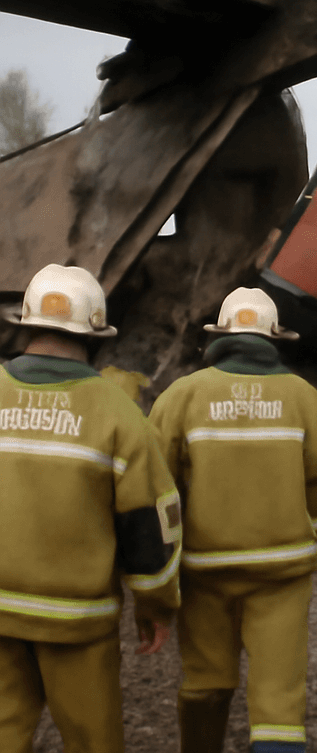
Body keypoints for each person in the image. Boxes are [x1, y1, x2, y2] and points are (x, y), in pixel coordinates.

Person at [149, 287, 317, 753]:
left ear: (219, 337)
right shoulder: (303, 397)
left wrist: (158, 571)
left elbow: (157, 487)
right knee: (279, 701)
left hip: (204, 572)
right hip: (281, 575)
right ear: (274, 338)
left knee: (206, 681)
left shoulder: (182, 397)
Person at [0, 264, 181, 753]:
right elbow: (151, 523)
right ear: (96, 334)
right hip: (78, 622)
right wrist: (156, 603)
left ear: (26, 323)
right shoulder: (119, 414)